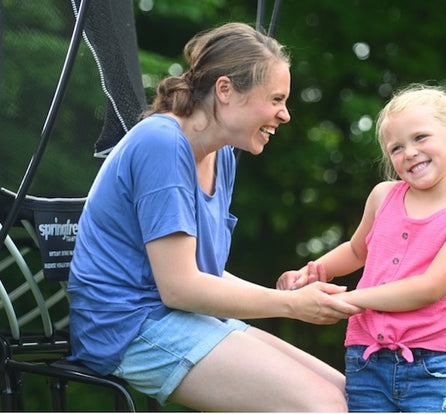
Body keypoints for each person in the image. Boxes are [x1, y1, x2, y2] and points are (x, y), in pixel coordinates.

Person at [67, 22, 361, 412]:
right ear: (225, 90)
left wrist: (287, 296)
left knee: (350, 396)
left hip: (178, 316)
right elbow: (180, 287)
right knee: (321, 407)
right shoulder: (162, 143)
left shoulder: (221, 154)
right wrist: (289, 305)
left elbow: (203, 273)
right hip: (128, 327)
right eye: (276, 98)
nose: (285, 115)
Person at [277, 84, 446, 412]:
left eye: (420, 137)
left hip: (430, 367)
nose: (409, 153)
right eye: (396, 148)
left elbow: (429, 288)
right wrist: (315, 271)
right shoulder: (383, 196)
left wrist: (348, 299)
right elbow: (355, 251)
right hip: (366, 359)